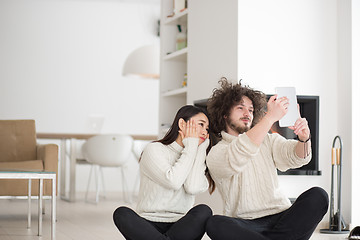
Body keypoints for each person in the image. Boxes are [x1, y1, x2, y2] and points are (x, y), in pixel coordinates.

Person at [205, 78, 329, 240]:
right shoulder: (217, 152)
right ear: (225, 115)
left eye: (250, 110)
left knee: (318, 196)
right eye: (240, 108)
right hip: (246, 224)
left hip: (282, 217)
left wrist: (304, 138)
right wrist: (269, 118)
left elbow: (296, 157)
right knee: (215, 223)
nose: (247, 113)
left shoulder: (268, 140)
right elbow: (240, 152)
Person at [113, 105, 213, 240]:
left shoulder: (197, 157)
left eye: (207, 129)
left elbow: (192, 187)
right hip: (149, 222)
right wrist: (190, 147)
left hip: (181, 225)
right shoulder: (154, 149)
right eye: (201, 124)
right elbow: (173, 181)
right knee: (122, 214)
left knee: (204, 211)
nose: (204, 132)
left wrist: (199, 150)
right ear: (182, 124)